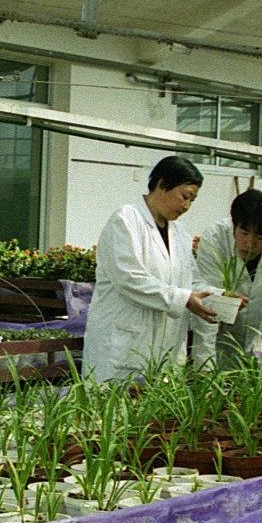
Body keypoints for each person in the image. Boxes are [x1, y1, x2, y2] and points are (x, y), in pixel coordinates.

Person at [82, 155, 218, 382]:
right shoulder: (125, 220)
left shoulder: (179, 234)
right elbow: (129, 279)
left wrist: (220, 298)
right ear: (162, 185)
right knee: (113, 413)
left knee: (156, 416)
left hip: (165, 349)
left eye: (192, 200)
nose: (186, 206)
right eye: (185, 196)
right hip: (122, 348)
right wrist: (183, 298)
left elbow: (191, 281)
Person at [191, 189, 262, 369]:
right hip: (221, 337)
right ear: (234, 226)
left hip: (261, 335)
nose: (250, 244)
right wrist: (204, 370)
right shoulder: (215, 238)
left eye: (260, 238)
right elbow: (208, 307)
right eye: (244, 233)